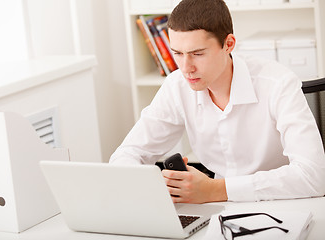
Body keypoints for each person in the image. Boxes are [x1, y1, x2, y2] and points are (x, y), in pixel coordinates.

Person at [110, 0, 325, 203]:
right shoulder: (177, 86)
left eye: (197, 53)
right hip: (218, 209)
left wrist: (217, 189)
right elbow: (127, 154)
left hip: (283, 203)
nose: (186, 67)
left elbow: (314, 176)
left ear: (228, 44)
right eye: (177, 53)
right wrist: (157, 186)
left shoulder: (278, 83)